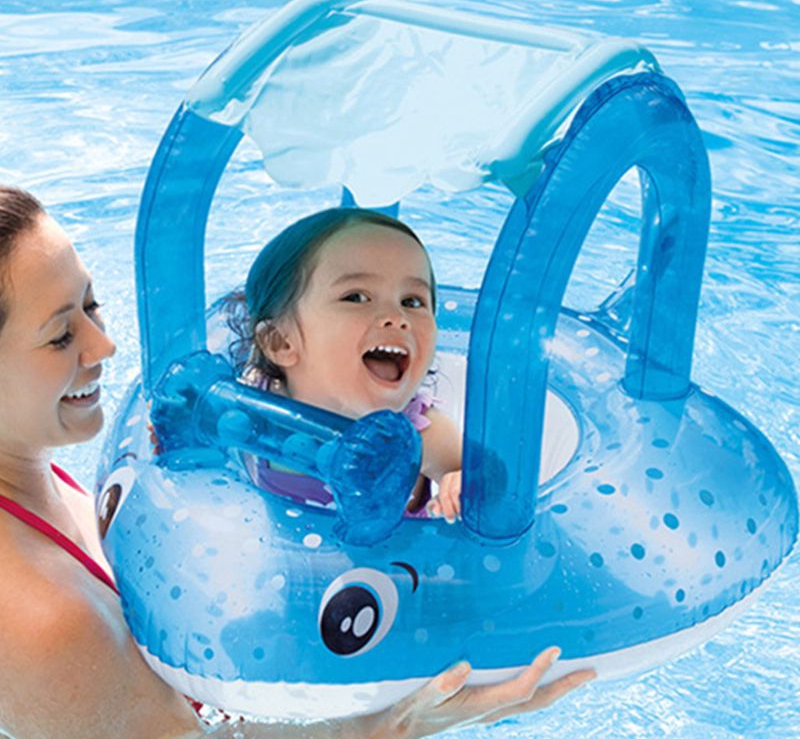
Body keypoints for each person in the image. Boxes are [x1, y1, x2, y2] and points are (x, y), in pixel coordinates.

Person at [0, 186, 595, 739]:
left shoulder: (27, 465)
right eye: (59, 336)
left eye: (92, 304)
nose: (104, 345)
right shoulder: (40, 622)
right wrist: (391, 723)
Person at [234, 208, 464, 521]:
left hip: (395, 569)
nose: (397, 318)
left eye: (412, 301)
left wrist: (462, 482)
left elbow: (489, 486)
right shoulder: (254, 403)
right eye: (356, 297)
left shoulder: (423, 434)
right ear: (281, 342)